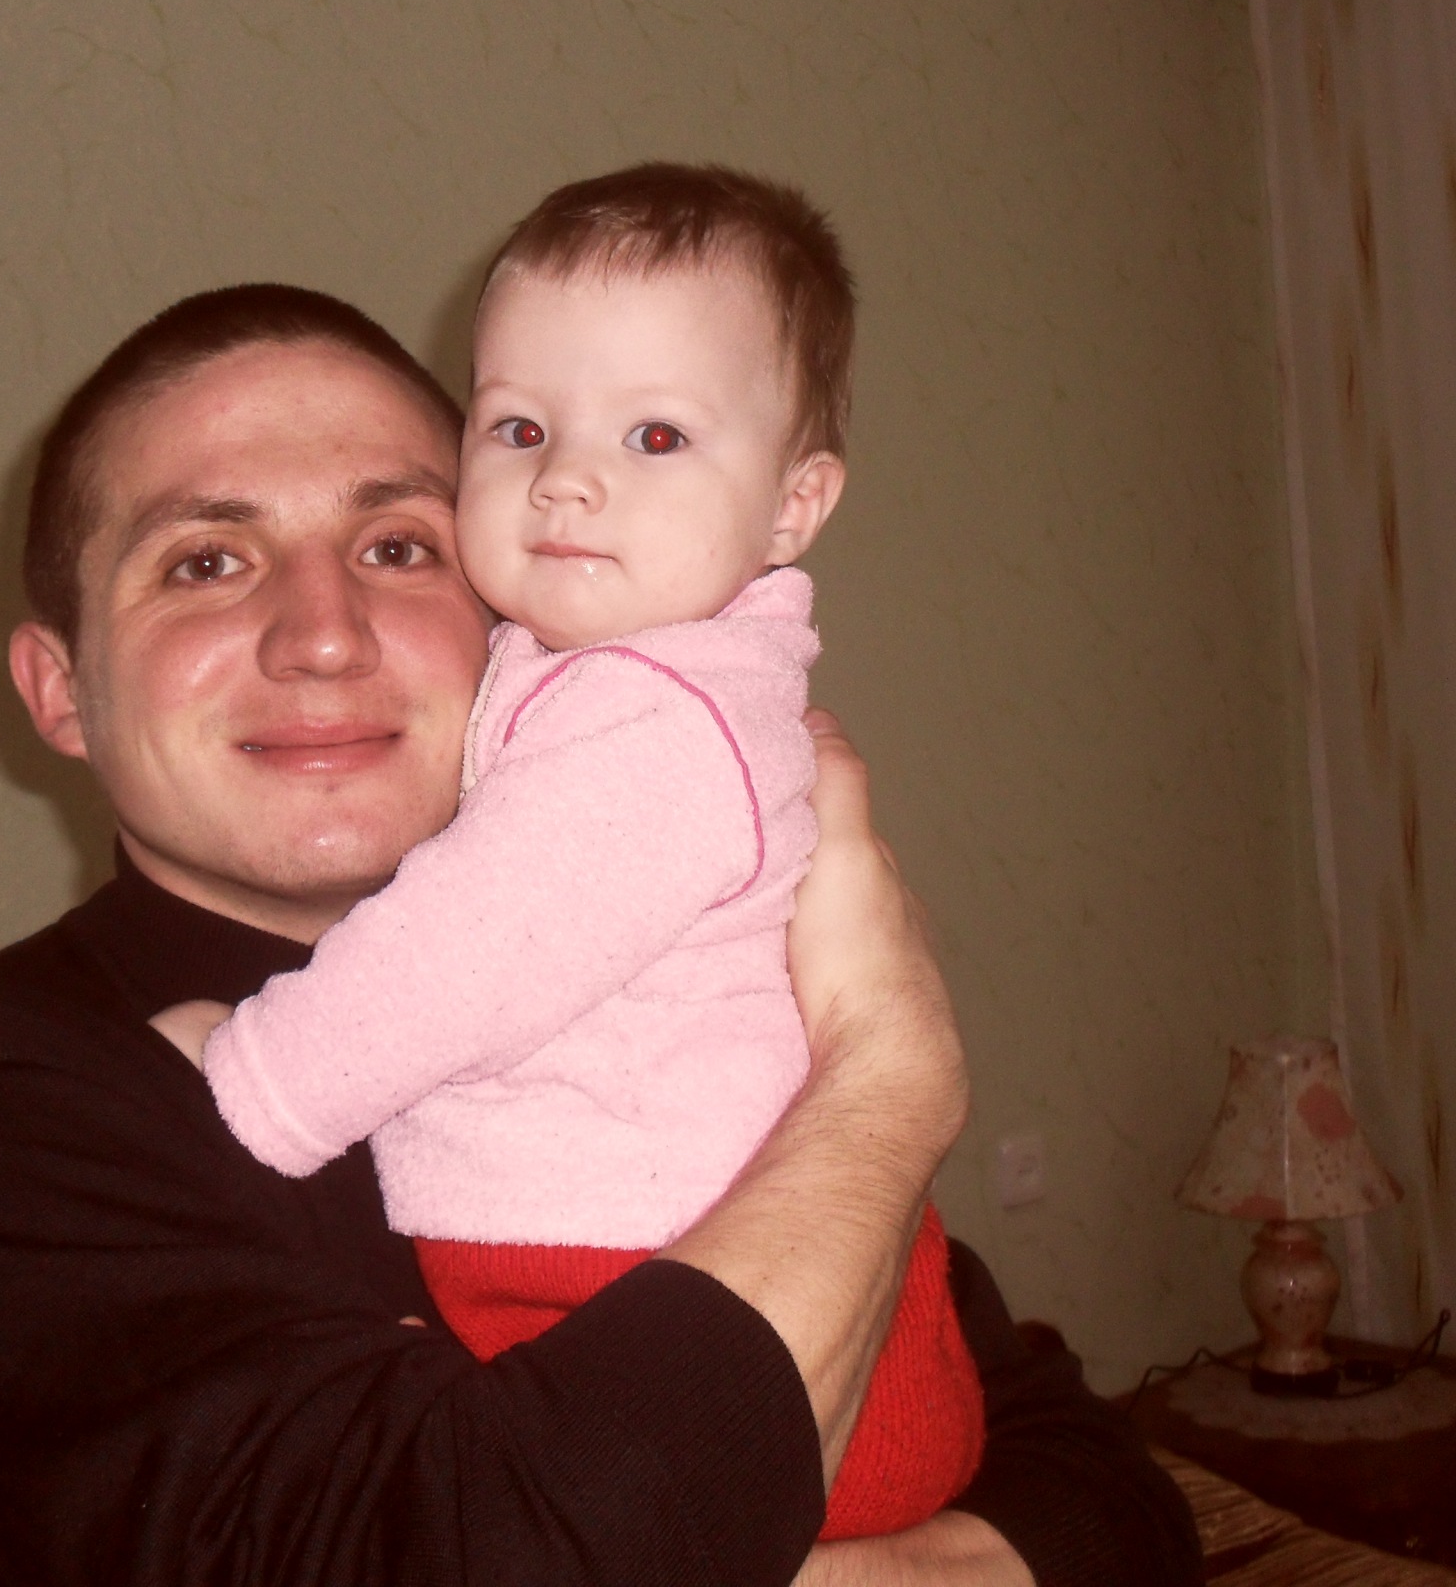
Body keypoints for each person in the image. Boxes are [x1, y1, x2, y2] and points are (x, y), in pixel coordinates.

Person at [0, 280, 1201, 1586]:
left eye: (400, 547)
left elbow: (1110, 1500)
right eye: (207, 561)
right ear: (60, 689)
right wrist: (890, 1086)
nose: (324, 634)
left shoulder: (684, 995)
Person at [187, 167, 980, 1542]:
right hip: (651, 1297)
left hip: (685, 1309)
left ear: (793, 506)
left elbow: (466, 948)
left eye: (657, 435)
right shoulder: (595, 680)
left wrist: (259, 1074)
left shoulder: (662, 724)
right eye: (518, 426)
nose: (565, 477)